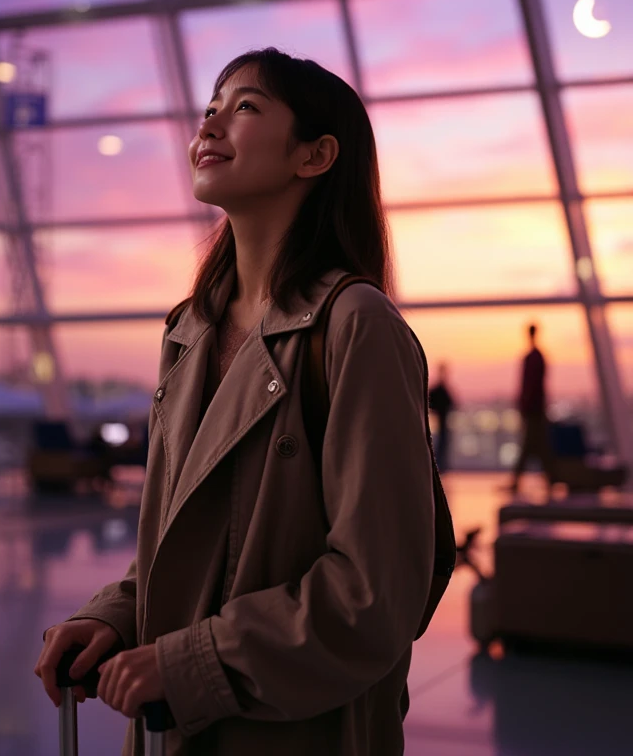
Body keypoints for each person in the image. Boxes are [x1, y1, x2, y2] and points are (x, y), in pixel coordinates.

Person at [35, 48, 436, 756]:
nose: (212, 120)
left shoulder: (355, 326)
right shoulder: (188, 330)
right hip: (176, 727)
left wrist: (190, 663)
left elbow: (374, 594)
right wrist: (119, 618)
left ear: (314, 157)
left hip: (298, 732)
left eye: (245, 106)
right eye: (211, 105)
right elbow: (184, 544)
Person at [510, 323, 553, 494]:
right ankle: (550, 478)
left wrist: (525, 404)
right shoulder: (537, 357)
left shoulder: (532, 357)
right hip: (535, 407)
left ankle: (518, 480)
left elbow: (530, 385)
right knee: (538, 446)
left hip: (533, 408)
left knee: (531, 445)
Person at [429, 363, 455, 472]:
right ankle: (438, 467)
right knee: (441, 443)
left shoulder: (440, 389)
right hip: (440, 422)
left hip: (441, 421)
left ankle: (438, 467)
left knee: (441, 443)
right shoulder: (441, 389)